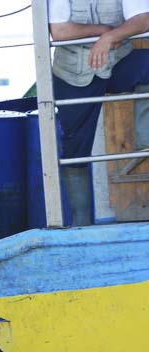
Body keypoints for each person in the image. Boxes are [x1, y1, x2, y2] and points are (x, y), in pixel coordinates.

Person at [49, 0, 149, 226]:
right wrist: (101, 31)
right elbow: (60, 31)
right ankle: (81, 222)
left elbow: (143, 19)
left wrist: (110, 38)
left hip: (117, 61)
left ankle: (146, 141)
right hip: (73, 73)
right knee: (76, 148)